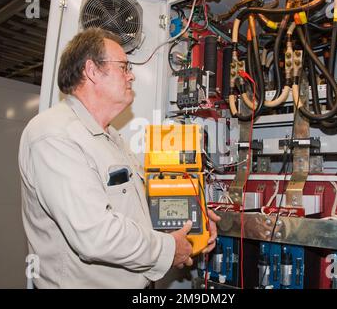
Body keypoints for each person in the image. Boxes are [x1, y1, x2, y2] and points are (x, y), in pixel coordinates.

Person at [18, 28, 220, 289]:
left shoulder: (112, 138)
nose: (131, 75)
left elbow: (134, 210)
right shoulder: (54, 135)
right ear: (92, 70)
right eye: (124, 67)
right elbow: (95, 235)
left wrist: (194, 218)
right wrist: (168, 250)